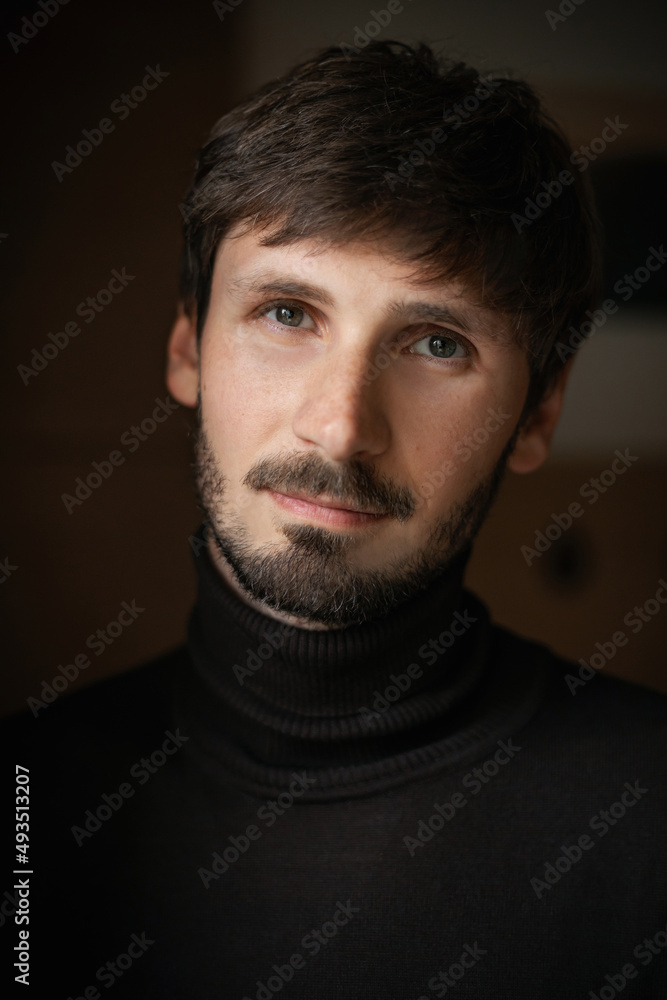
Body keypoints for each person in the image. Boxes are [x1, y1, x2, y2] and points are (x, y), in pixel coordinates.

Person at [7, 40, 666, 999]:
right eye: (286, 313)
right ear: (187, 349)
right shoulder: (25, 800)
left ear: (536, 415)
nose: (342, 426)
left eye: (436, 343)